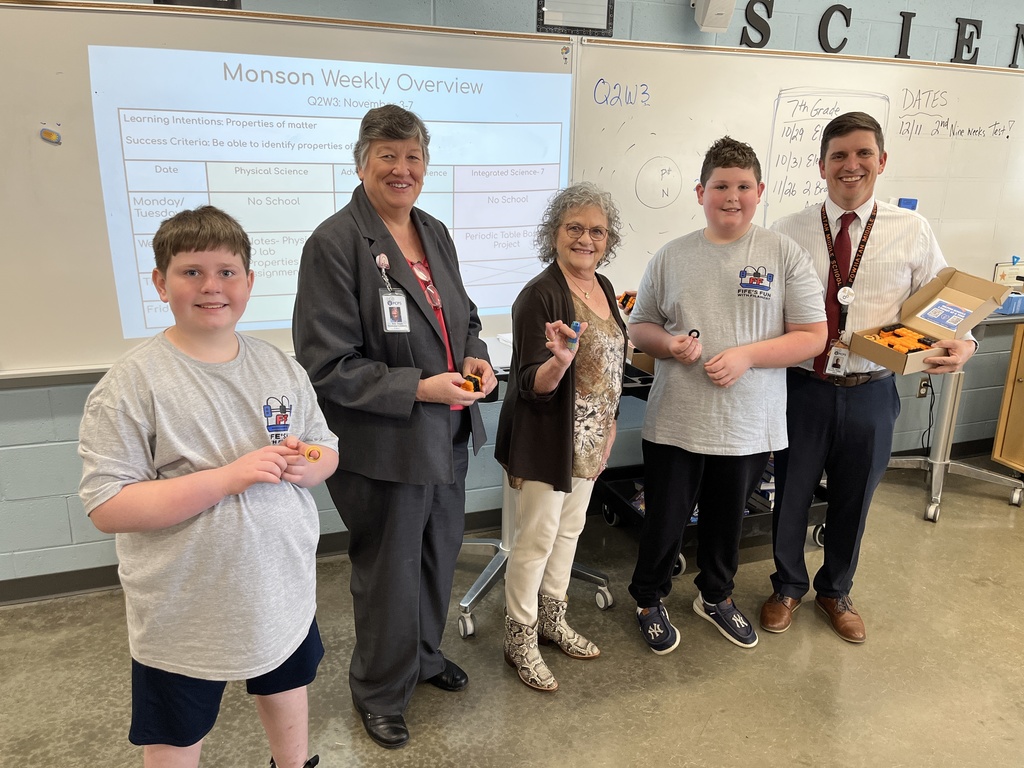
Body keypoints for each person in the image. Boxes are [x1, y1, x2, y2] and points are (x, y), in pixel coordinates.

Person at [78, 205, 339, 768]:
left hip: (280, 590)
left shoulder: (281, 368)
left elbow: (325, 450)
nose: (211, 286)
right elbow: (108, 504)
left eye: (227, 272)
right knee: (177, 729)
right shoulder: (132, 383)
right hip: (185, 611)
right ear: (159, 282)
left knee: (286, 684)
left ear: (249, 281)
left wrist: (307, 463)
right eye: (191, 272)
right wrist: (226, 479)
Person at [292, 105, 496, 749]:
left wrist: (477, 357)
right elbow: (327, 365)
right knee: (388, 571)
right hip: (385, 444)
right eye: (387, 155)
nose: (401, 169)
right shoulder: (334, 243)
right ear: (362, 163)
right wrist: (419, 387)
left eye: (413, 157)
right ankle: (379, 690)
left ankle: (425, 659)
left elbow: (463, 318)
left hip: (448, 436)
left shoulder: (435, 231)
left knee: (438, 558)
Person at [761, 111, 977, 643]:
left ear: (882, 161)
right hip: (801, 389)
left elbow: (945, 305)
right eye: (838, 155)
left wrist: (966, 343)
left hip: (872, 391)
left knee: (855, 498)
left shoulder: (913, 231)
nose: (850, 165)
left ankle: (836, 590)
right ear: (820, 166)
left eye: (862, 154)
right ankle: (788, 585)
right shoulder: (786, 232)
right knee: (790, 494)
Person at [626, 137, 827, 653]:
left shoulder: (784, 254)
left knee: (726, 519)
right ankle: (648, 598)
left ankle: (715, 595)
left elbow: (812, 335)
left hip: (748, 421)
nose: (731, 196)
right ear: (700, 192)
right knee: (666, 518)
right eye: (720, 186)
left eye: (743, 186)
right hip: (676, 418)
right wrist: (668, 343)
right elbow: (639, 327)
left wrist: (746, 356)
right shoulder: (672, 256)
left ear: (760, 192)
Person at [494, 183, 628, 691]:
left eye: (597, 230)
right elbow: (531, 384)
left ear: (608, 240)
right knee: (536, 540)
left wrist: (611, 422)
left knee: (569, 533)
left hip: (593, 440)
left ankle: (552, 620)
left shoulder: (605, 286)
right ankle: (520, 638)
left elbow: (611, 364)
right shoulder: (539, 295)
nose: (586, 238)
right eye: (574, 227)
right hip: (548, 439)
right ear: (554, 234)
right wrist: (559, 362)